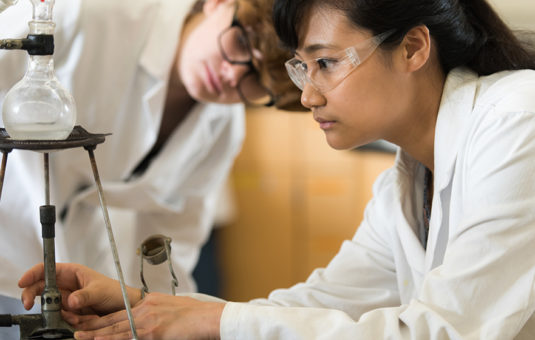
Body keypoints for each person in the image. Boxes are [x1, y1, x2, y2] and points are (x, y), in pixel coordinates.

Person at [19, 0, 535, 338]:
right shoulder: (402, 184)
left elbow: (445, 330)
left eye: (326, 63)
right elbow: (321, 303)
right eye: (300, 68)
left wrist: (212, 320)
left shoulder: (518, 119)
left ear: (413, 48)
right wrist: (140, 305)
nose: (308, 95)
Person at [0, 0, 302, 337]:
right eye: (241, 43)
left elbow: (171, 242)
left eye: (258, 80)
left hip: (77, 281)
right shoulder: (91, 15)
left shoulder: (222, 128)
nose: (233, 74)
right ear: (220, 4)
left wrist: (163, 321)